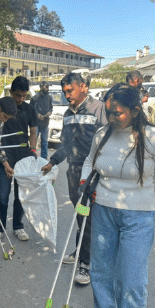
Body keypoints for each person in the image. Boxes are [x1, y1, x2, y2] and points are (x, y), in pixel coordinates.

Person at [82, 85, 155, 308]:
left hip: (140, 216)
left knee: (132, 281)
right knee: (101, 272)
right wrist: (84, 182)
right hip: (103, 211)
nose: (111, 117)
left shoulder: (154, 138)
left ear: (135, 110)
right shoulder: (101, 135)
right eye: (108, 112)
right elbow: (90, 162)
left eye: (117, 113)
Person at [39, 71, 108, 287]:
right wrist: (53, 161)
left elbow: (107, 142)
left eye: (70, 90)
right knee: (81, 214)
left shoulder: (99, 109)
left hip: (94, 173)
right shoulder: (68, 114)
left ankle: (85, 264)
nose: (67, 95)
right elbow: (66, 145)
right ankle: (81, 250)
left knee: (88, 215)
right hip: (73, 172)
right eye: (64, 92)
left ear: (83, 87)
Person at [0, 77, 38, 242]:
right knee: (3, 196)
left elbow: (33, 131)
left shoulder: (29, 109)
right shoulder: (3, 106)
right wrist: (3, 162)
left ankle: (18, 226)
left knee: (20, 196)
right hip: (5, 157)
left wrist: (32, 149)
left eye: (24, 96)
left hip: (23, 158)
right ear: (11, 92)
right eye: (18, 95)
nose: (20, 99)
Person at [33, 81, 54, 160]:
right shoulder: (35, 97)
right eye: (46, 87)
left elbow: (51, 107)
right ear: (41, 87)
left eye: (48, 87)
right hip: (36, 123)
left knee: (44, 142)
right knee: (34, 141)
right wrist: (37, 114)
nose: (47, 89)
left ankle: (44, 158)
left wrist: (50, 112)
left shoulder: (49, 97)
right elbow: (32, 109)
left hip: (45, 123)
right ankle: (33, 156)